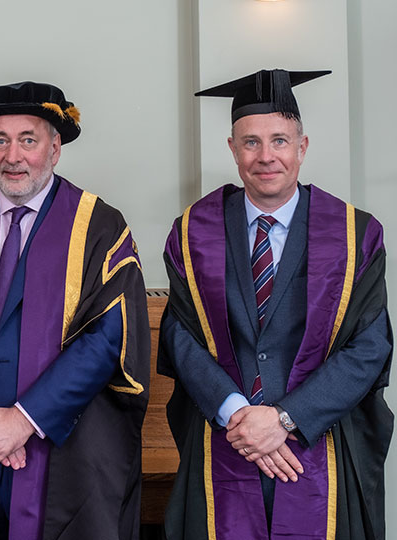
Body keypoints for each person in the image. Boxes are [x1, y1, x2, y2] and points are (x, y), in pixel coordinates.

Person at [159, 69, 392, 539]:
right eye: (251, 143)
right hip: (226, 440)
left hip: (319, 443)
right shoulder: (192, 234)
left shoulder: (355, 234)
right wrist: (236, 414)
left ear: (302, 147)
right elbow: (179, 334)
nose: (266, 157)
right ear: (231, 149)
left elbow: (369, 347)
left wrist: (285, 419)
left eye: (280, 141)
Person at [0, 81, 150, 540]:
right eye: (0, 140)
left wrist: (24, 419)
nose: (12, 156)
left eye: (28, 140)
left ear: (55, 148)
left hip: (63, 446)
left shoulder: (99, 225)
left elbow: (109, 336)